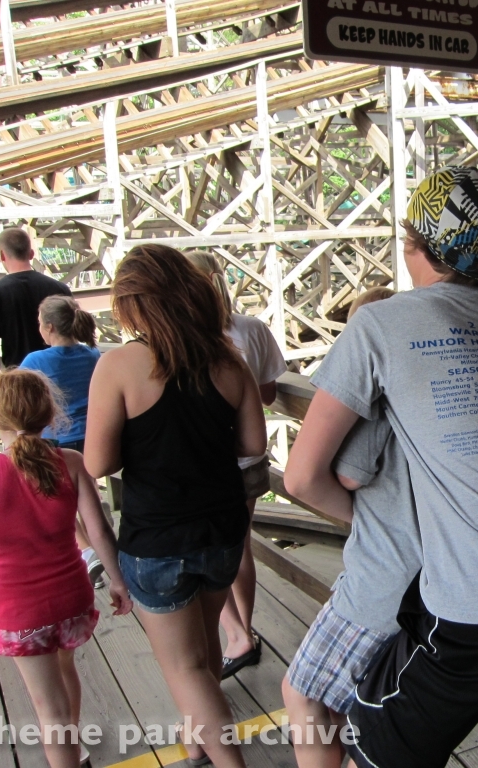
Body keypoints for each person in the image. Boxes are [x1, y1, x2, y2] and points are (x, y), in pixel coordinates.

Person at [284, 167, 478, 768]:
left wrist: (369, 521)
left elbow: (300, 478)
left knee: (371, 755)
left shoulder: (379, 323)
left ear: (413, 246)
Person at [84, 244, 266, 768]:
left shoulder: (118, 365)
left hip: (157, 539)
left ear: (133, 304)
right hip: (222, 531)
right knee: (203, 651)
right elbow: (252, 445)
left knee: (184, 669)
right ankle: (198, 751)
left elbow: (97, 463)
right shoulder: (228, 361)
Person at [0, 368, 131, 768]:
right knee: (66, 671)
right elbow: (97, 532)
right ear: (50, 416)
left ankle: (66, 757)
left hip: (24, 612)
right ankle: (73, 746)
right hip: (74, 602)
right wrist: (117, 581)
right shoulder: (72, 461)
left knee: (50, 713)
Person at [282, 287, 422, 768]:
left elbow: (327, 477)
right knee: (349, 704)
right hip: (444, 576)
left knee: (300, 692)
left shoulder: (378, 399)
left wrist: (361, 517)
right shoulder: (428, 385)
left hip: (387, 581)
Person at [183, 251, 287, 678]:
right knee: (239, 545)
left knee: (206, 547)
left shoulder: (182, 335)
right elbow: (267, 395)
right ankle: (244, 631)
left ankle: (237, 635)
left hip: (203, 461)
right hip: (248, 459)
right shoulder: (252, 328)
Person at [20, 296, 104, 587]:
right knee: (90, 497)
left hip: (55, 439)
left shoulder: (35, 360)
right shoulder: (92, 355)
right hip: (90, 436)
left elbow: (22, 395)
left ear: (50, 327)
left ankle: (87, 551)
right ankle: (102, 550)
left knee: (61, 500)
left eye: (40, 323)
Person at [0, 227, 72, 375]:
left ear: (2, 255)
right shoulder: (60, 289)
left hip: (19, 382)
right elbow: (71, 340)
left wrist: (0, 390)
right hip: (59, 376)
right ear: (31, 254)